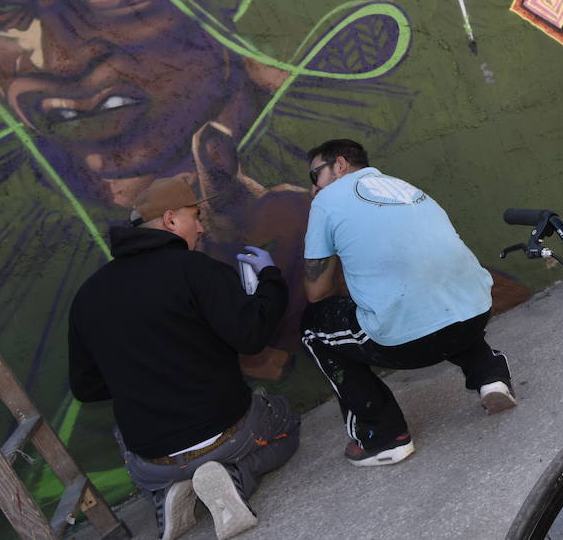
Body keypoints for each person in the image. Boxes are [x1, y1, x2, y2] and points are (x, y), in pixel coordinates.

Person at [69, 175, 300, 540]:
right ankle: (235, 476)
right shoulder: (197, 271)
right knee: (286, 422)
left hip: (153, 459)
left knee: (127, 439)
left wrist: (138, 376)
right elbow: (251, 336)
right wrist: (270, 279)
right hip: (225, 434)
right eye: (196, 216)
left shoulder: (87, 297)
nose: (201, 227)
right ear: (171, 219)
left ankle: (169, 494)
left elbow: (86, 386)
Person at [299, 139, 515, 467]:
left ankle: (384, 436)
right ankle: (490, 375)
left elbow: (317, 292)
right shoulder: (401, 185)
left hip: (409, 342)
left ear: (339, 165)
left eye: (315, 176)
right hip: (475, 315)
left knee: (312, 327)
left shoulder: (328, 198)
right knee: (434, 292)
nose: (313, 186)